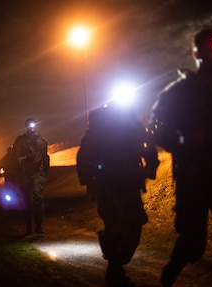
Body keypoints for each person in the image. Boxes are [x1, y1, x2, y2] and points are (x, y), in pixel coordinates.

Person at [149, 28, 212, 287]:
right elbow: (155, 130)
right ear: (196, 54)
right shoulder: (178, 92)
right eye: (210, 49)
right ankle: (173, 269)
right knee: (193, 243)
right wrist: (185, 139)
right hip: (194, 180)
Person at [76, 101, 159, 287]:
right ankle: (115, 270)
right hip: (109, 185)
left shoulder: (130, 127)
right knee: (117, 225)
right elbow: (84, 157)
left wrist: (150, 168)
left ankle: (115, 265)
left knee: (135, 222)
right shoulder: (102, 131)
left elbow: (148, 147)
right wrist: (89, 182)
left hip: (127, 184)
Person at [12, 118, 50, 235]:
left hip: (37, 172)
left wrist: (46, 167)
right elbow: (15, 158)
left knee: (38, 198)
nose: (32, 128)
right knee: (26, 200)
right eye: (29, 126)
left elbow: (45, 155)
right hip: (24, 173)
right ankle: (28, 226)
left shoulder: (41, 141)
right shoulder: (20, 141)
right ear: (26, 127)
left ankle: (38, 225)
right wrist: (24, 159)